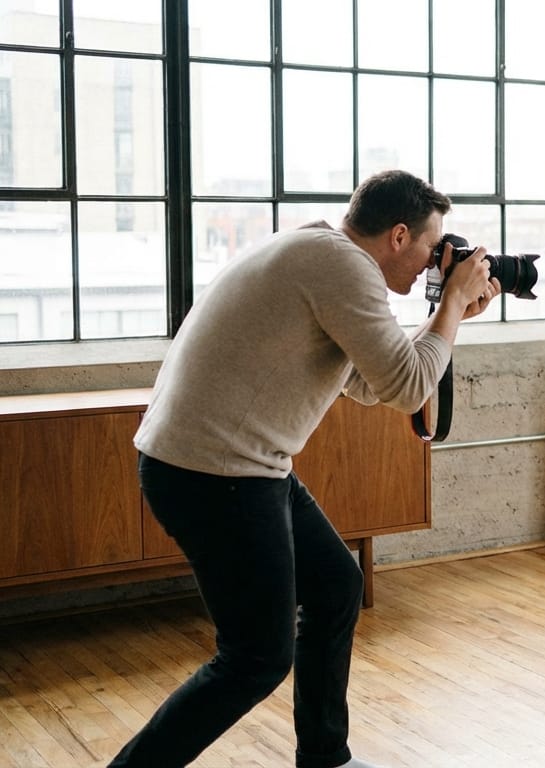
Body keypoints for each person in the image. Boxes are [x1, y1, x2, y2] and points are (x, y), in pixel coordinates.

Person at [112, 170, 499, 768]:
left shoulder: (317, 251)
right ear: (399, 236)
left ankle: (325, 757)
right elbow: (405, 387)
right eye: (430, 248)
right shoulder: (342, 268)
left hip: (228, 466)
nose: (434, 264)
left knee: (337, 586)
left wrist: (447, 321)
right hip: (217, 475)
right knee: (255, 659)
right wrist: (448, 305)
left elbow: (374, 383)